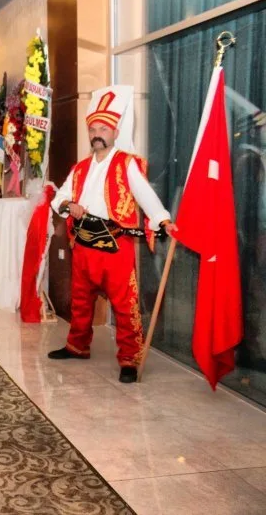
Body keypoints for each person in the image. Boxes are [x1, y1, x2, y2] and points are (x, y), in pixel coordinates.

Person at [47, 86, 177, 383]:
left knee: (124, 303)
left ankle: (130, 358)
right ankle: (77, 345)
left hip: (115, 244)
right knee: (80, 300)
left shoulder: (126, 163)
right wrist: (68, 205)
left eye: (103, 128)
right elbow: (60, 197)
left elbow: (145, 195)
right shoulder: (80, 168)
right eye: (93, 129)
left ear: (115, 132)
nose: (97, 134)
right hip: (83, 243)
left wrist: (163, 220)